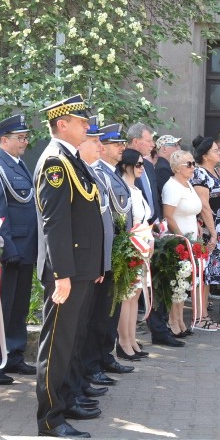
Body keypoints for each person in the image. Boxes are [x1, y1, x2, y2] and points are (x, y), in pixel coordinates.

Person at [34, 95, 104, 439]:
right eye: (81, 122)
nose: (87, 127)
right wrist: (61, 273)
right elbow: (55, 222)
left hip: (80, 268)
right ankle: (50, 418)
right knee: (57, 346)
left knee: (72, 342)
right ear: (62, 124)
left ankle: (67, 399)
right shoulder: (55, 164)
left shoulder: (70, 160)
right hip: (67, 272)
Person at [0, 114, 38, 386]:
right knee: (0, 309)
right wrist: (7, 246)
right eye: (19, 138)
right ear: (3, 140)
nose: (24, 142)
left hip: (26, 248)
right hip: (8, 250)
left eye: (25, 137)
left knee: (18, 307)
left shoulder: (19, 165)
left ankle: (13, 355)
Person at [80, 120, 134, 391]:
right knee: (98, 313)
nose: (120, 148)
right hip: (103, 251)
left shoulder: (109, 171)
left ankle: (104, 356)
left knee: (108, 311)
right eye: (116, 144)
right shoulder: (95, 171)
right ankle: (93, 363)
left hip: (114, 249)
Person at [146, 134, 184, 347]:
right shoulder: (161, 168)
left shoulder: (157, 167)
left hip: (157, 228)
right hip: (155, 230)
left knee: (163, 284)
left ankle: (163, 327)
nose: (178, 148)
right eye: (175, 145)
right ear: (165, 149)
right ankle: (160, 328)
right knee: (159, 284)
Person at [114, 148, 152, 360]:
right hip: (131, 245)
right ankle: (123, 342)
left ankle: (132, 339)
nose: (141, 168)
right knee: (127, 296)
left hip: (143, 246)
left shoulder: (136, 190)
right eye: (138, 164)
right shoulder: (122, 189)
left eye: (142, 164)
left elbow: (146, 219)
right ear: (125, 165)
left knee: (136, 296)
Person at [161, 149, 203, 335]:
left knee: (184, 283)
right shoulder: (172, 186)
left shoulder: (187, 184)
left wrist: (198, 227)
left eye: (194, 163)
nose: (193, 167)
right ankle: (173, 322)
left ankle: (179, 321)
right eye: (189, 164)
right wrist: (182, 238)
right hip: (178, 242)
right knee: (176, 283)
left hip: (191, 239)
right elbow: (168, 216)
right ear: (177, 168)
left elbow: (191, 210)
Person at [190, 136, 220, 330]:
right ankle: (200, 317)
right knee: (203, 275)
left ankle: (204, 314)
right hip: (208, 230)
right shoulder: (199, 173)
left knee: (208, 277)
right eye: (215, 150)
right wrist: (213, 234)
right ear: (205, 155)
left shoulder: (213, 171)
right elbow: (204, 206)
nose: (219, 152)